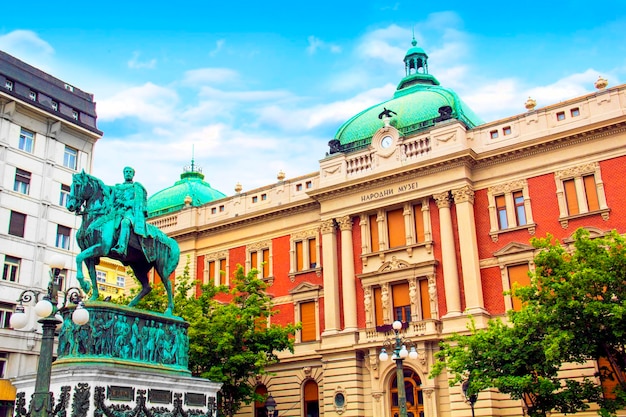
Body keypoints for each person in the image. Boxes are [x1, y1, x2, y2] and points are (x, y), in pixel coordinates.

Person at [111, 166, 148, 257]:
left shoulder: (136, 187)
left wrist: (124, 202)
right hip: (117, 212)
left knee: (125, 222)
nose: (128, 173)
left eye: (130, 172)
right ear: (123, 174)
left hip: (130, 212)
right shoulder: (117, 187)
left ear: (133, 174)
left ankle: (121, 247)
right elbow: (111, 202)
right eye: (126, 171)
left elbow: (138, 201)